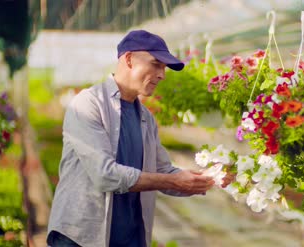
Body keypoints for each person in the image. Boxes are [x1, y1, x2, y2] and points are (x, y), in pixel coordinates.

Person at [47, 30, 233, 247]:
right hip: (81, 238)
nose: (162, 74)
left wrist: (206, 179)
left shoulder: (145, 118)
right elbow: (105, 175)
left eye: (164, 68)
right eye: (156, 64)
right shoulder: (88, 104)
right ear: (129, 59)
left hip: (129, 238)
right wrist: (173, 180)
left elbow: (162, 170)